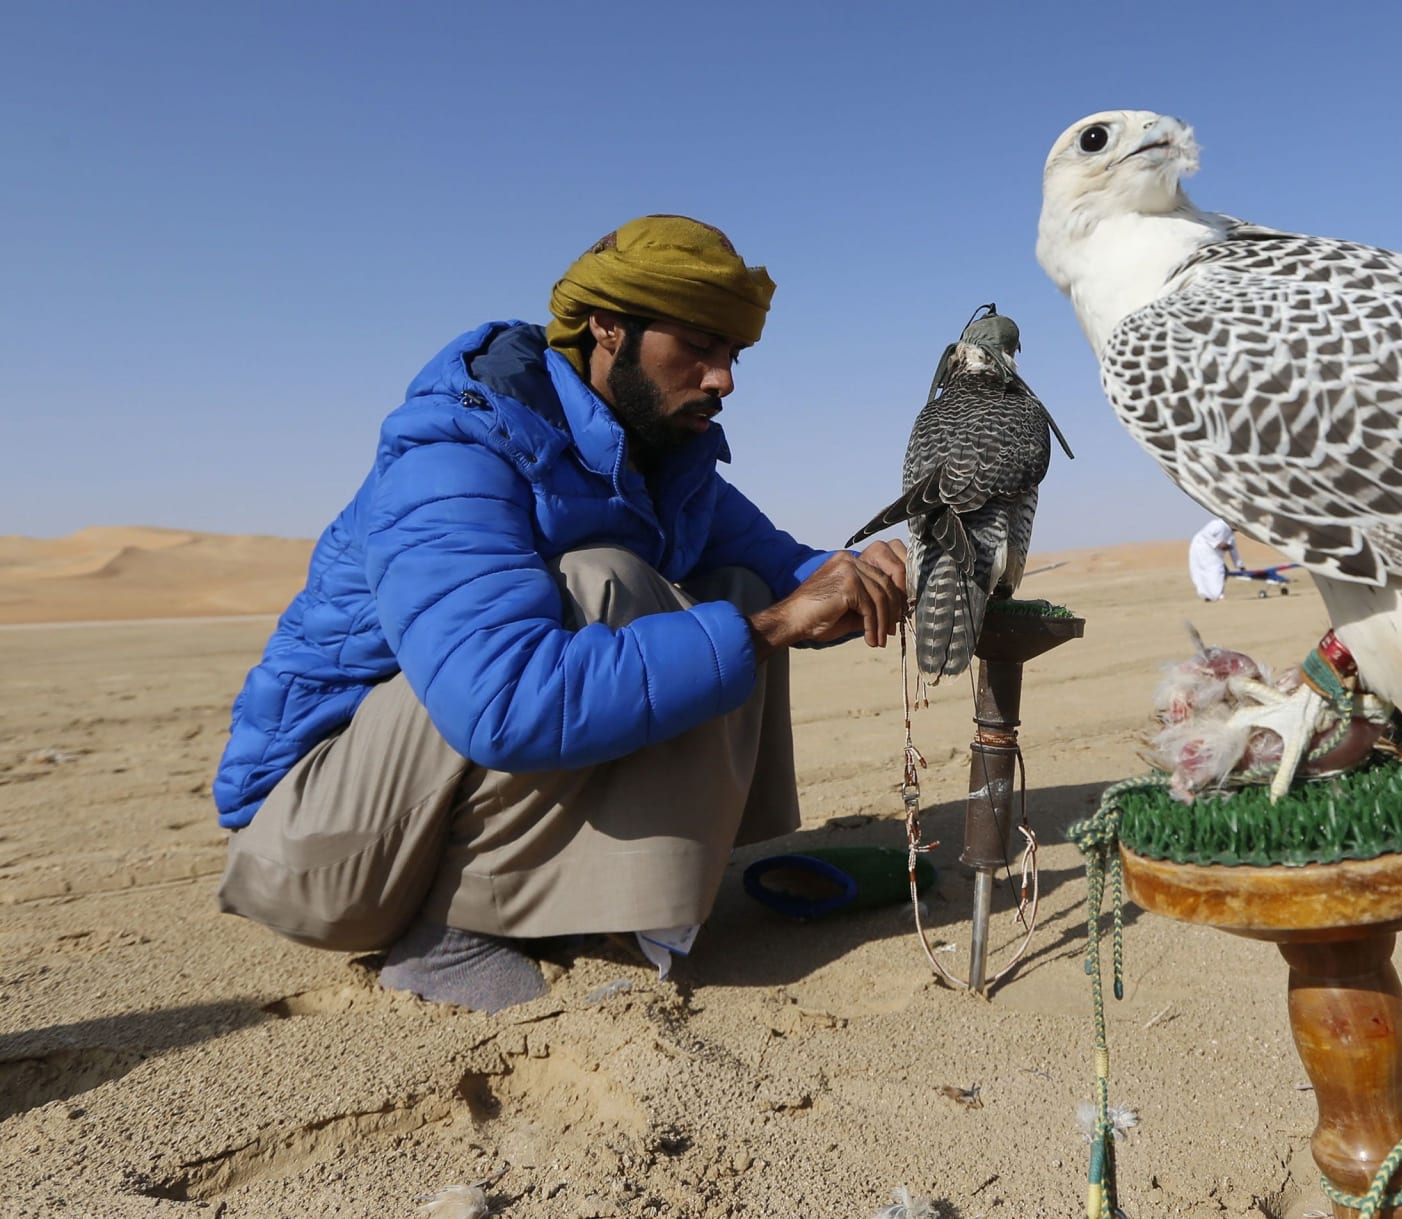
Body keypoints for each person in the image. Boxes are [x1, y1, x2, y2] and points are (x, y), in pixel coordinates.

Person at [211, 215, 908, 1012]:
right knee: (608, 585)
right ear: (609, 328)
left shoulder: (660, 462)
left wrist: (859, 576)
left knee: (740, 584)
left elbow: (785, 566)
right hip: (319, 843)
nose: (724, 379)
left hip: (407, 801)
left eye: (732, 354)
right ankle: (451, 931)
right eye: (698, 347)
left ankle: (582, 903)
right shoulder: (457, 451)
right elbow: (501, 702)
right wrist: (774, 627)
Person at [1188, 517, 1242, 601]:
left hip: (1215, 555)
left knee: (1221, 572)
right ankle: (1212, 595)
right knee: (1212, 573)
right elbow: (1205, 534)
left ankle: (1216, 595)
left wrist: (1240, 565)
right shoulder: (1218, 525)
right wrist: (1218, 543)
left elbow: (1233, 551)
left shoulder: (1231, 536)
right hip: (1203, 549)